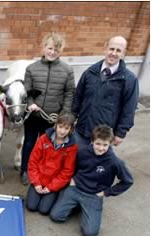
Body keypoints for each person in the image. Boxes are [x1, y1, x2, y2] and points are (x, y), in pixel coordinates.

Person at [50, 125, 134, 236]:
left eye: (105, 145)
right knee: (56, 216)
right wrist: (73, 178)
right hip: (76, 188)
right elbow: (72, 166)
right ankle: (76, 205)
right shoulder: (82, 152)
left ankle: (84, 208)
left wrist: (106, 192)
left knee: (90, 233)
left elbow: (127, 181)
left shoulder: (115, 162)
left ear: (110, 144)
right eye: (98, 144)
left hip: (94, 194)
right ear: (92, 141)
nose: (101, 148)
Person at [20, 32, 75, 186]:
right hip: (33, 115)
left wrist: (63, 115)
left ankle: (42, 172)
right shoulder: (31, 68)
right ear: (44, 48)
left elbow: (69, 93)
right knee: (30, 143)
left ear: (60, 52)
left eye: (56, 50)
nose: (52, 52)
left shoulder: (67, 70)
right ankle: (25, 170)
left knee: (47, 147)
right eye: (50, 48)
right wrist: (31, 102)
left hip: (53, 117)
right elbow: (27, 90)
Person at [72, 36, 139, 149]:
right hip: (82, 131)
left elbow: (129, 108)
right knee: (76, 162)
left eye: (118, 50)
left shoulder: (129, 79)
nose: (113, 53)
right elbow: (77, 98)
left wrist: (121, 132)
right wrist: (71, 118)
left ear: (124, 53)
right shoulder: (89, 73)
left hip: (104, 136)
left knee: (97, 165)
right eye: (111, 49)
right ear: (105, 49)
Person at [26, 112, 78, 215]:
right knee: (31, 206)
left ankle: (57, 193)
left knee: (43, 210)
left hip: (53, 183)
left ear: (71, 130)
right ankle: (35, 189)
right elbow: (33, 161)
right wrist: (36, 183)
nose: (62, 131)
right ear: (55, 125)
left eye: (66, 129)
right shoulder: (43, 139)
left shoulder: (72, 147)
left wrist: (51, 187)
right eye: (60, 127)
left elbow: (67, 172)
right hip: (39, 179)